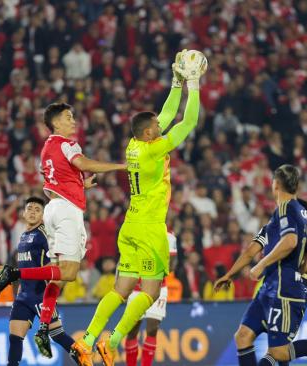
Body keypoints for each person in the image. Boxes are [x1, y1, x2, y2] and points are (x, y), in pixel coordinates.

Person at [75, 50, 205, 366]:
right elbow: (188, 120)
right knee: (148, 291)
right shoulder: (154, 149)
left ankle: (89, 339)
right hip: (149, 228)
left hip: (129, 225)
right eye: (157, 129)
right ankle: (114, 341)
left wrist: (176, 83)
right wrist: (194, 84)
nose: (161, 128)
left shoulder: (134, 145)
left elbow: (164, 113)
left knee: (120, 290)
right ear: (150, 135)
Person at [0, 100, 127, 362]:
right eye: (68, 117)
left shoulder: (47, 148)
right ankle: (14, 273)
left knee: (59, 276)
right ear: (56, 122)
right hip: (67, 212)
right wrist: (121, 167)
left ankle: (43, 327)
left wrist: (80, 184)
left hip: (54, 207)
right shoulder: (68, 144)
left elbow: (58, 178)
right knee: (69, 272)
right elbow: (83, 162)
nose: (73, 121)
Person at [223, 165, 307, 366]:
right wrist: (230, 274)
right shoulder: (273, 224)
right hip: (268, 290)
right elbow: (251, 251)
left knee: (278, 353)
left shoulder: (298, 224)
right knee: (244, 336)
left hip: (287, 292)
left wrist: (280, 271)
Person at [7, 196, 79, 366]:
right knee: (15, 339)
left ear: (43, 215)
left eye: (37, 210)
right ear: (24, 213)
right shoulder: (24, 236)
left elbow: (55, 264)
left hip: (41, 294)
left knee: (58, 335)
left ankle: (85, 360)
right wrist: (19, 292)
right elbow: (24, 267)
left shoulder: (44, 234)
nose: (32, 212)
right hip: (23, 297)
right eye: (29, 208)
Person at [124, 233, 178, 366]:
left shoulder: (169, 237)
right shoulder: (136, 233)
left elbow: (171, 265)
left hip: (158, 287)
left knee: (152, 329)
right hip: (136, 289)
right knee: (132, 330)